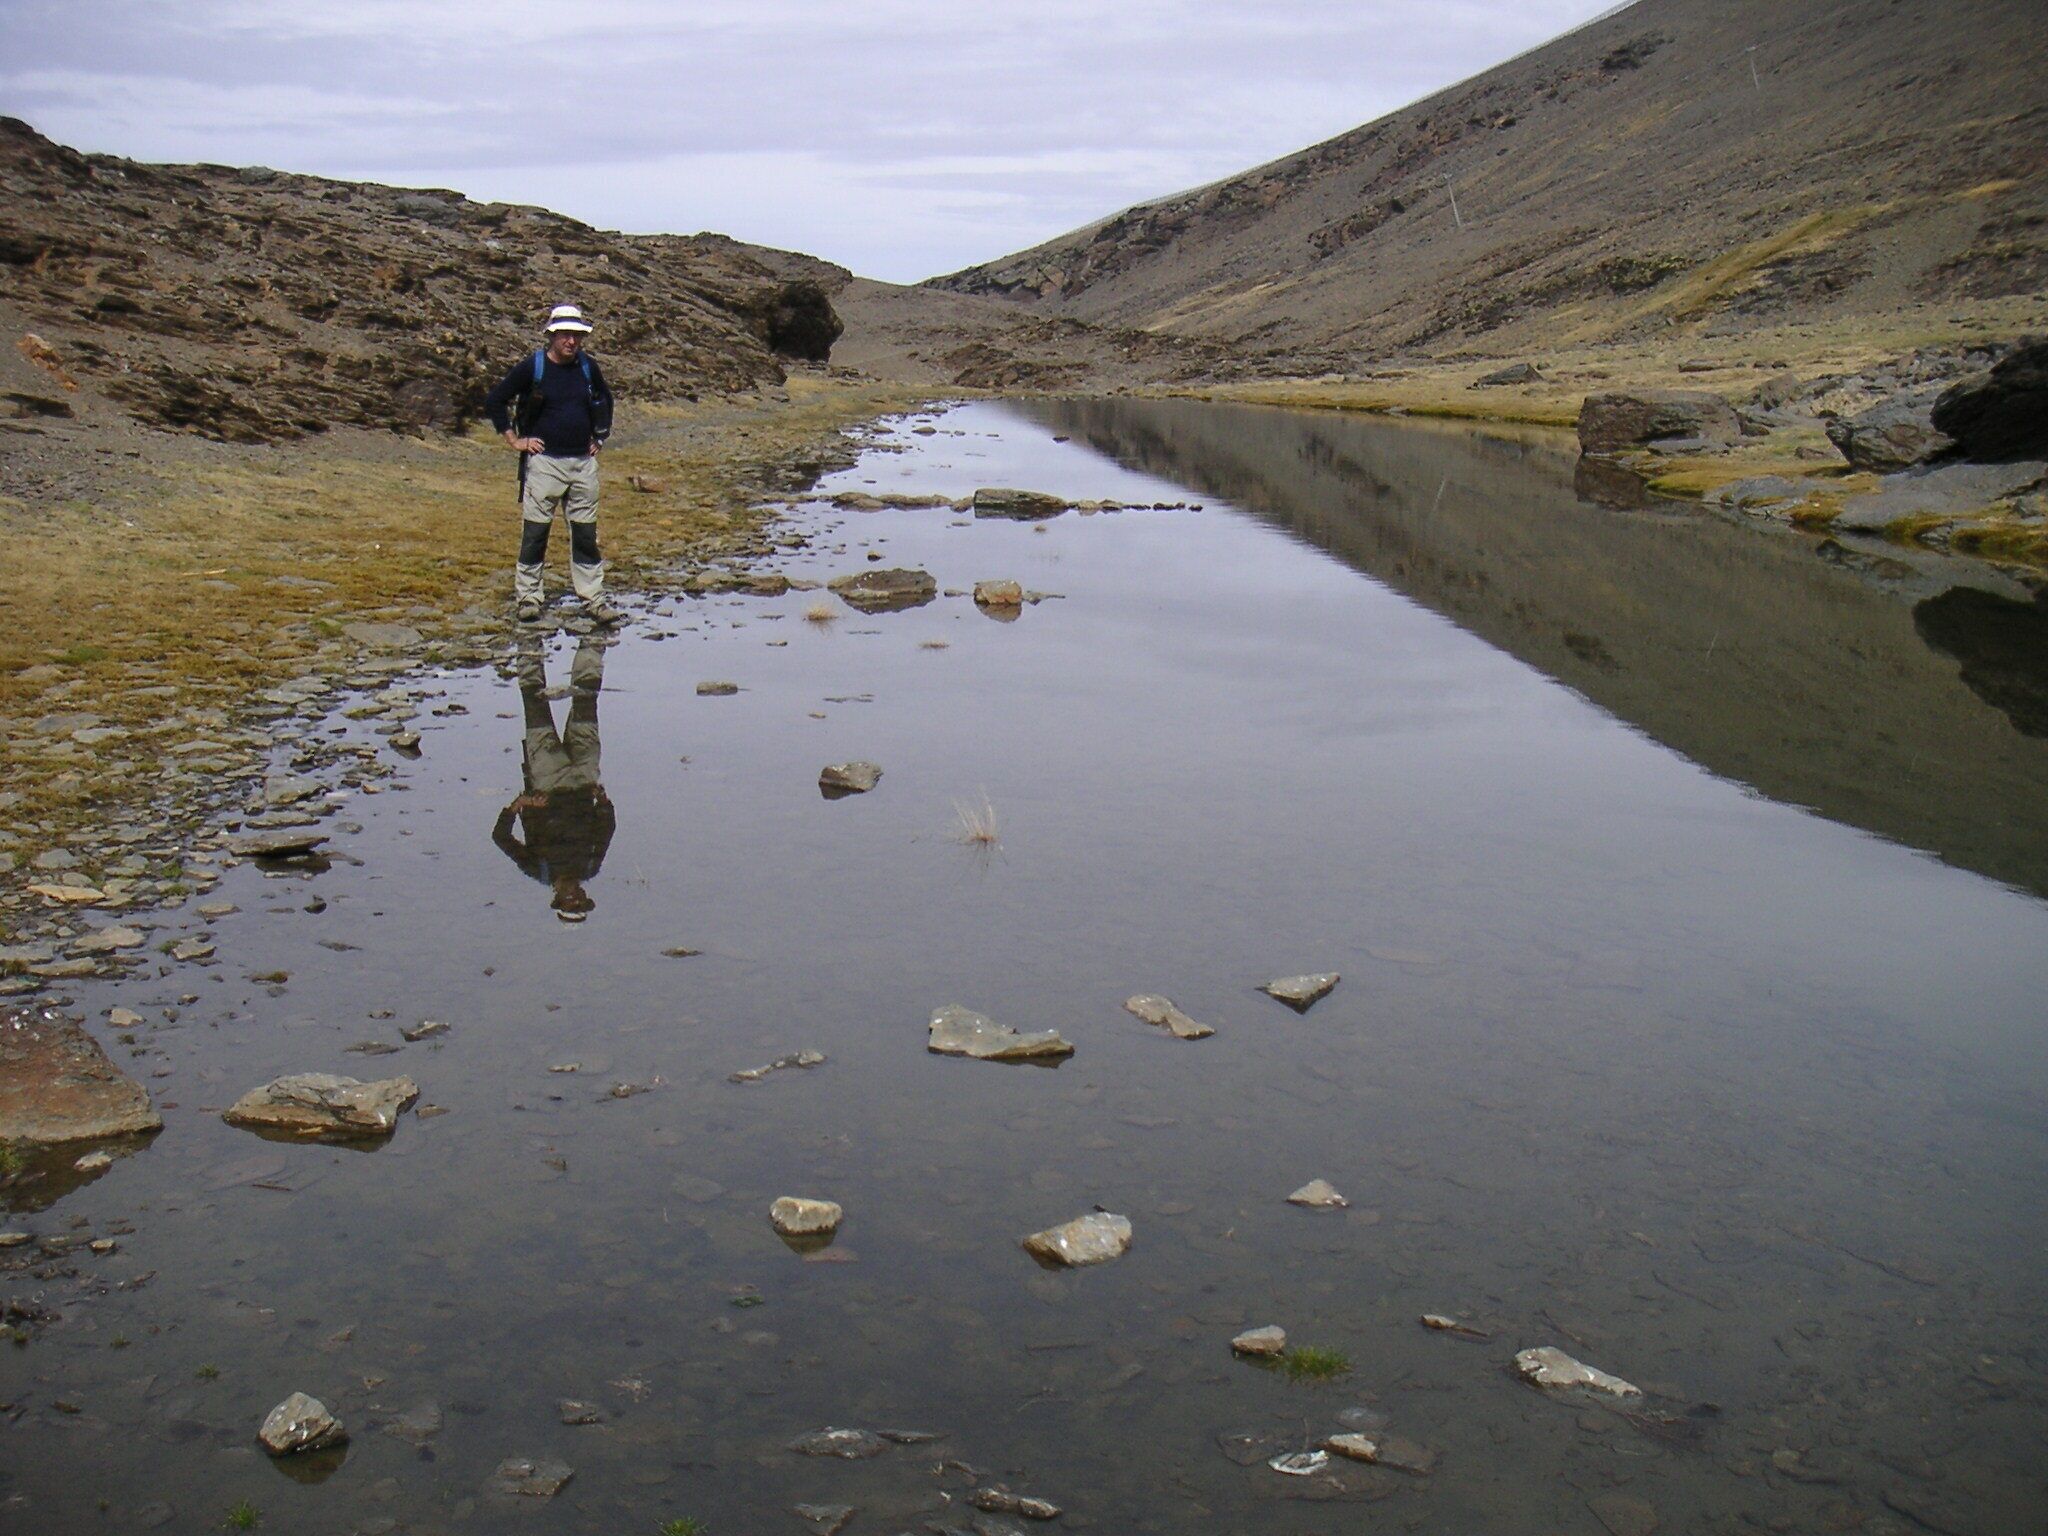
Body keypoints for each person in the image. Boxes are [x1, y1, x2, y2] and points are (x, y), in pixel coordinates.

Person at [484, 303, 622, 626]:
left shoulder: (588, 368)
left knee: (585, 535)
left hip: (582, 464)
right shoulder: (533, 367)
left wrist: (600, 437)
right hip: (544, 464)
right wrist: (514, 440)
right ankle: (529, 598)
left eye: (576, 336)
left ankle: (594, 599)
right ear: (552, 335)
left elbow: (606, 399)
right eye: (565, 336)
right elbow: (496, 399)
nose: (571, 342)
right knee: (535, 533)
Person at [493, 633, 616, 920]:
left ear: (557, 900)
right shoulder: (591, 866)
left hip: (545, 779)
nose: (576, 896)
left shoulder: (538, 870)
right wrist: (604, 800)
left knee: (534, 704)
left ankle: (528, 642)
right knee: (586, 702)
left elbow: (500, 837)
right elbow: (607, 827)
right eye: (580, 901)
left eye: (569, 902)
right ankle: (592, 640)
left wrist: (519, 803)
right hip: (585, 778)